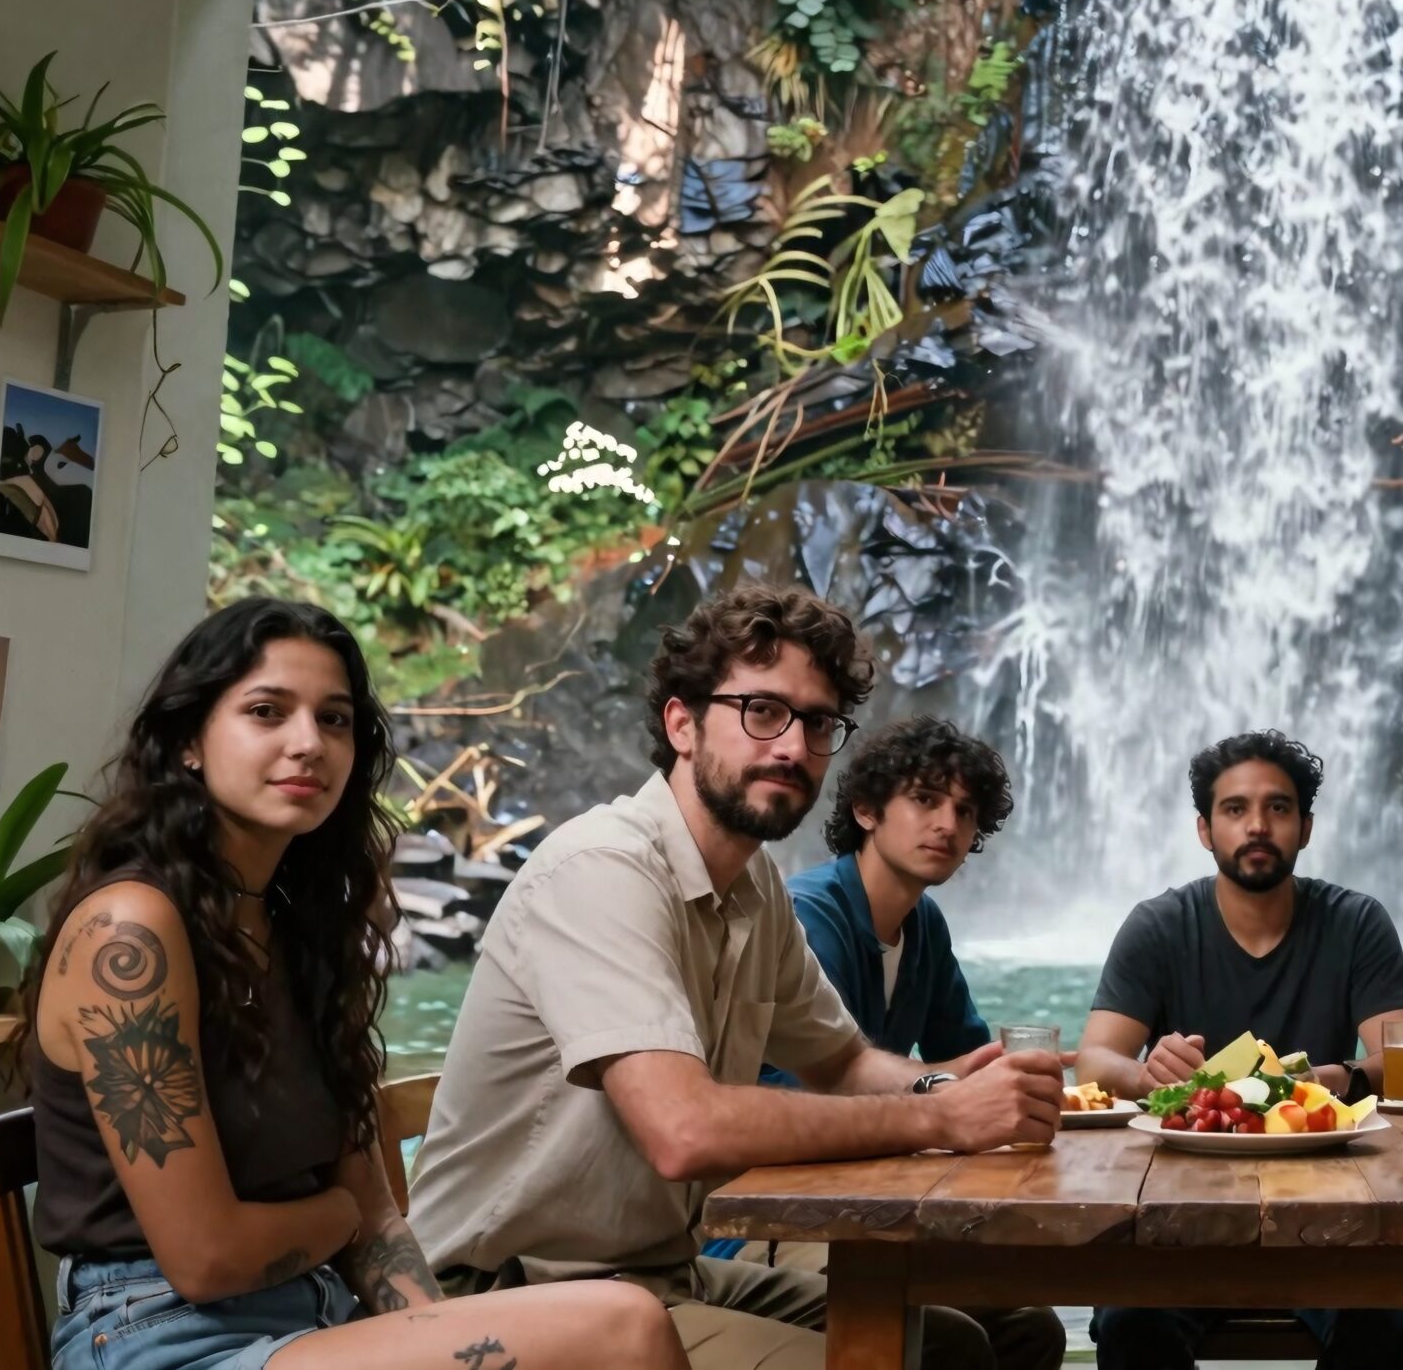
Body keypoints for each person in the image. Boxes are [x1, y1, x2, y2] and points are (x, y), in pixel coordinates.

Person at [407, 584, 1068, 1370]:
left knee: (973, 1338)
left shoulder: (754, 889)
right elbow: (682, 1131)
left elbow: (845, 1061)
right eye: (761, 710)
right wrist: (942, 1121)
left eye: (817, 722)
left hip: (656, 1274)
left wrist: (940, 1089)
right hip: (505, 1296)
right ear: (681, 723)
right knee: (889, 1360)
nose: (792, 745)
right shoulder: (603, 868)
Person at [24, 597, 689, 1370]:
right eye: (267, 711)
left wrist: (433, 1330)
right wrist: (341, 1214)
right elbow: (207, 1256)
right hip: (161, 1337)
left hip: (319, 1323)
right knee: (625, 1325)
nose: (308, 743)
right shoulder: (129, 935)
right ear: (187, 743)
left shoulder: (299, 929)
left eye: (334, 718)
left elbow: (380, 1223)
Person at [704, 716, 1064, 1370]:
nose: (948, 825)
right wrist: (950, 1091)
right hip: (766, 1221)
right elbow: (795, 1089)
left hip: (869, 1202)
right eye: (925, 800)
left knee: (1028, 1324)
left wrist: (1005, 1080)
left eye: (964, 810)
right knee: (945, 1333)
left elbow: (970, 1056)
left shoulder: (923, 922)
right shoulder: (811, 915)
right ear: (866, 809)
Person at [1076, 730, 1403, 1369]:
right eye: (1235, 809)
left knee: (1392, 1326)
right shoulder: (1158, 926)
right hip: (1178, 1208)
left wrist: (1339, 1077)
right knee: (1129, 1323)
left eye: (1279, 808)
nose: (1257, 825)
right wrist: (1147, 1072)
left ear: (1307, 827)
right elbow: (1095, 1061)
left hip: (1332, 1209)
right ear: (1205, 830)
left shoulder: (1356, 922)